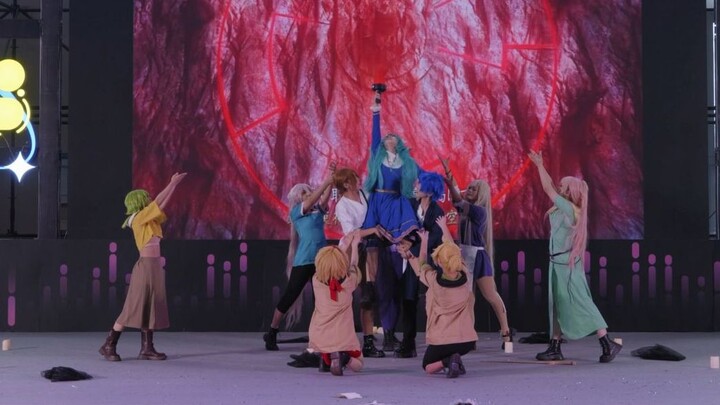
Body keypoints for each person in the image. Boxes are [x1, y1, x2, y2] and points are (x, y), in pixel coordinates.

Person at [528, 150, 622, 363]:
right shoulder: (564, 207)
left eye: (563, 186)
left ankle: (606, 342)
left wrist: (539, 165)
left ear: (570, 191)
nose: (559, 188)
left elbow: (548, 188)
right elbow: (551, 186)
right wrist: (541, 165)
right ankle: (555, 346)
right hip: (557, 263)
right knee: (556, 304)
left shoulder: (570, 209)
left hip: (565, 265)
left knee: (581, 301)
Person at [99, 172, 187, 361]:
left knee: (151, 307)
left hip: (155, 266)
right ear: (139, 201)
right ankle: (108, 345)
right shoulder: (139, 218)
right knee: (133, 307)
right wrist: (172, 183)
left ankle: (147, 348)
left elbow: (161, 205)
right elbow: (158, 202)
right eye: (146, 197)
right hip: (145, 267)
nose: (149, 199)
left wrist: (174, 187)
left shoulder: (150, 219)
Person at [361, 91, 421, 351]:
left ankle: (391, 333)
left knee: (396, 282)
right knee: (381, 281)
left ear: (400, 143)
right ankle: (384, 332)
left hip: (396, 211)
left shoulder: (406, 164)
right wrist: (376, 111)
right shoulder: (378, 156)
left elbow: (423, 177)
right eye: (387, 136)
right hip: (379, 210)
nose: (389, 137)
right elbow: (375, 135)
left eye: (393, 136)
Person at [440, 158, 512, 349]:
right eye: (469, 188)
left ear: (481, 194)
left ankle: (506, 333)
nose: (469, 190)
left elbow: (458, 200)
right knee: (467, 298)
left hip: (477, 257)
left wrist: (450, 180)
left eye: (473, 189)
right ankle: (469, 337)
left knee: (491, 295)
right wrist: (450, 177)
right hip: (464, 255)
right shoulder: (467, 210)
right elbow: (458, 199)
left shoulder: (479, 211)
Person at [264, 165, 335, 351]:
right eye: (304, 192)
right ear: (298, 197)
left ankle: (323, 334)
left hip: (321, 261)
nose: (308, 193)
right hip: (304, 261)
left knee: (324, 298)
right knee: (290, 295)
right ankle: (272, 331)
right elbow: (312, 200)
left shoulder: (317, 211)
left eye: (308, 191)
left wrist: (331, 179)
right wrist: (327, 181)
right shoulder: (296, 212)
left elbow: (324, 198)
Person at [400, 216, 477, 378]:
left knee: (428, 366)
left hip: (443, 340)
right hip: (467, 341)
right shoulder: (466, 275)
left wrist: (424, 241)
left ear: (439, 263)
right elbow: (453, 249)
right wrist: (444, 227)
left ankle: (448, 360)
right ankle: (455, 359)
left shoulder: (433, 280)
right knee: (454, 350)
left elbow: (422, 263)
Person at [333, 168, 384, 357]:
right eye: (354, 177)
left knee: (368, 295)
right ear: (346, 184)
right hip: (351, 251)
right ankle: (338, 340)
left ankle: (368, 342)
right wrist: (372, 230)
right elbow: (351, 234)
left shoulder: (364, 194)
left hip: (370, 249)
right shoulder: (342, 205)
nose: (358, 178)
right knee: (346, 295)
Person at [394, 171, 445, 358]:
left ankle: (438, 343)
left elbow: (434, 240)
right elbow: (399, 227)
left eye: (419, 185)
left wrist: (411, 248)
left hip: (430, 264)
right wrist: (403, 246)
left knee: (433, 302)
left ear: (430, 191)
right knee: (408, 300)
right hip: (409, 261)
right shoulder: (410, 205)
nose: (415, 187)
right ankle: (408, 343)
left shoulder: (438, 212)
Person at [309, 236, 365, 376]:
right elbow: (354, 265)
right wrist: (354, 245)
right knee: (358, 364)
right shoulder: (349, 282)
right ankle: (344, 357)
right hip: (343, 338)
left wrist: (343, 246)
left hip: (319, 336)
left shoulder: (316, 281)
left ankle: (324, 360)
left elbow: (330, 264)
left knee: (324, 345)